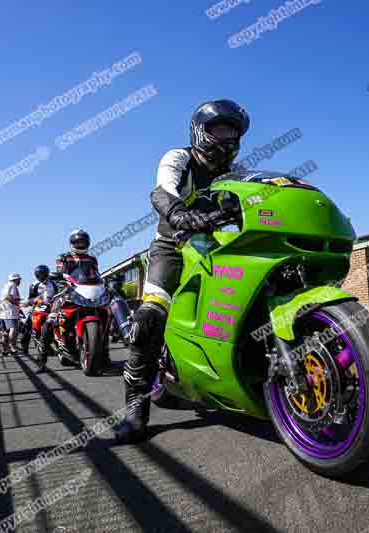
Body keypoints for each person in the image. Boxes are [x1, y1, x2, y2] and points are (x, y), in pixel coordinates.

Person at [116, 99, 250, 443]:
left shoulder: (239, 173)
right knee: (148, 318)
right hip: (171, 246)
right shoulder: (178, 158)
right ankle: (136, 406)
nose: (228, 138)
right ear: (200, 131)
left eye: (233, 132)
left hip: (216, 245)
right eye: (220, 129)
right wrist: (177, 213)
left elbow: (254, 201)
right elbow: (162, 191)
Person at [42, 230, 101, 356]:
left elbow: (96, 274)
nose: (80, 244)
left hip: (87, 292)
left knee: (107, 311)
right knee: (50, 319)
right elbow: (60, 274)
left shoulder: (92, 259)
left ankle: (103, 352)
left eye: (83, 242)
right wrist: (62, 284)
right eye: (77, 242)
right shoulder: (63, 257)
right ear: (72, 243)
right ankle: (42, 355)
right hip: (67, 292)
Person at [20, 264, 57, 362]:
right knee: (27, 326)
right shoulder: (34, 285)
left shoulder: (53, 284)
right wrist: (36, 300)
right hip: (38, 307)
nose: (42, 277)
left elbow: (57, 295)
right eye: (40, 275)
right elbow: (30, 298)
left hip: (50, 308)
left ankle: (53, 347)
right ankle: (24, 347)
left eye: (44, 275)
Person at [0, 273, 23, 355]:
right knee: (13, 330)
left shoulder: (6, 286)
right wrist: (17, 303)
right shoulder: (13, 286)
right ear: (15, 279)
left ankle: (4, 350)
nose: (20, 281)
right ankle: (12, 348)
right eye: (19, 279)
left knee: (5, 332)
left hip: (3, 312)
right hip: (10, 313)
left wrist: (19, 309)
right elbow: (8, 297)